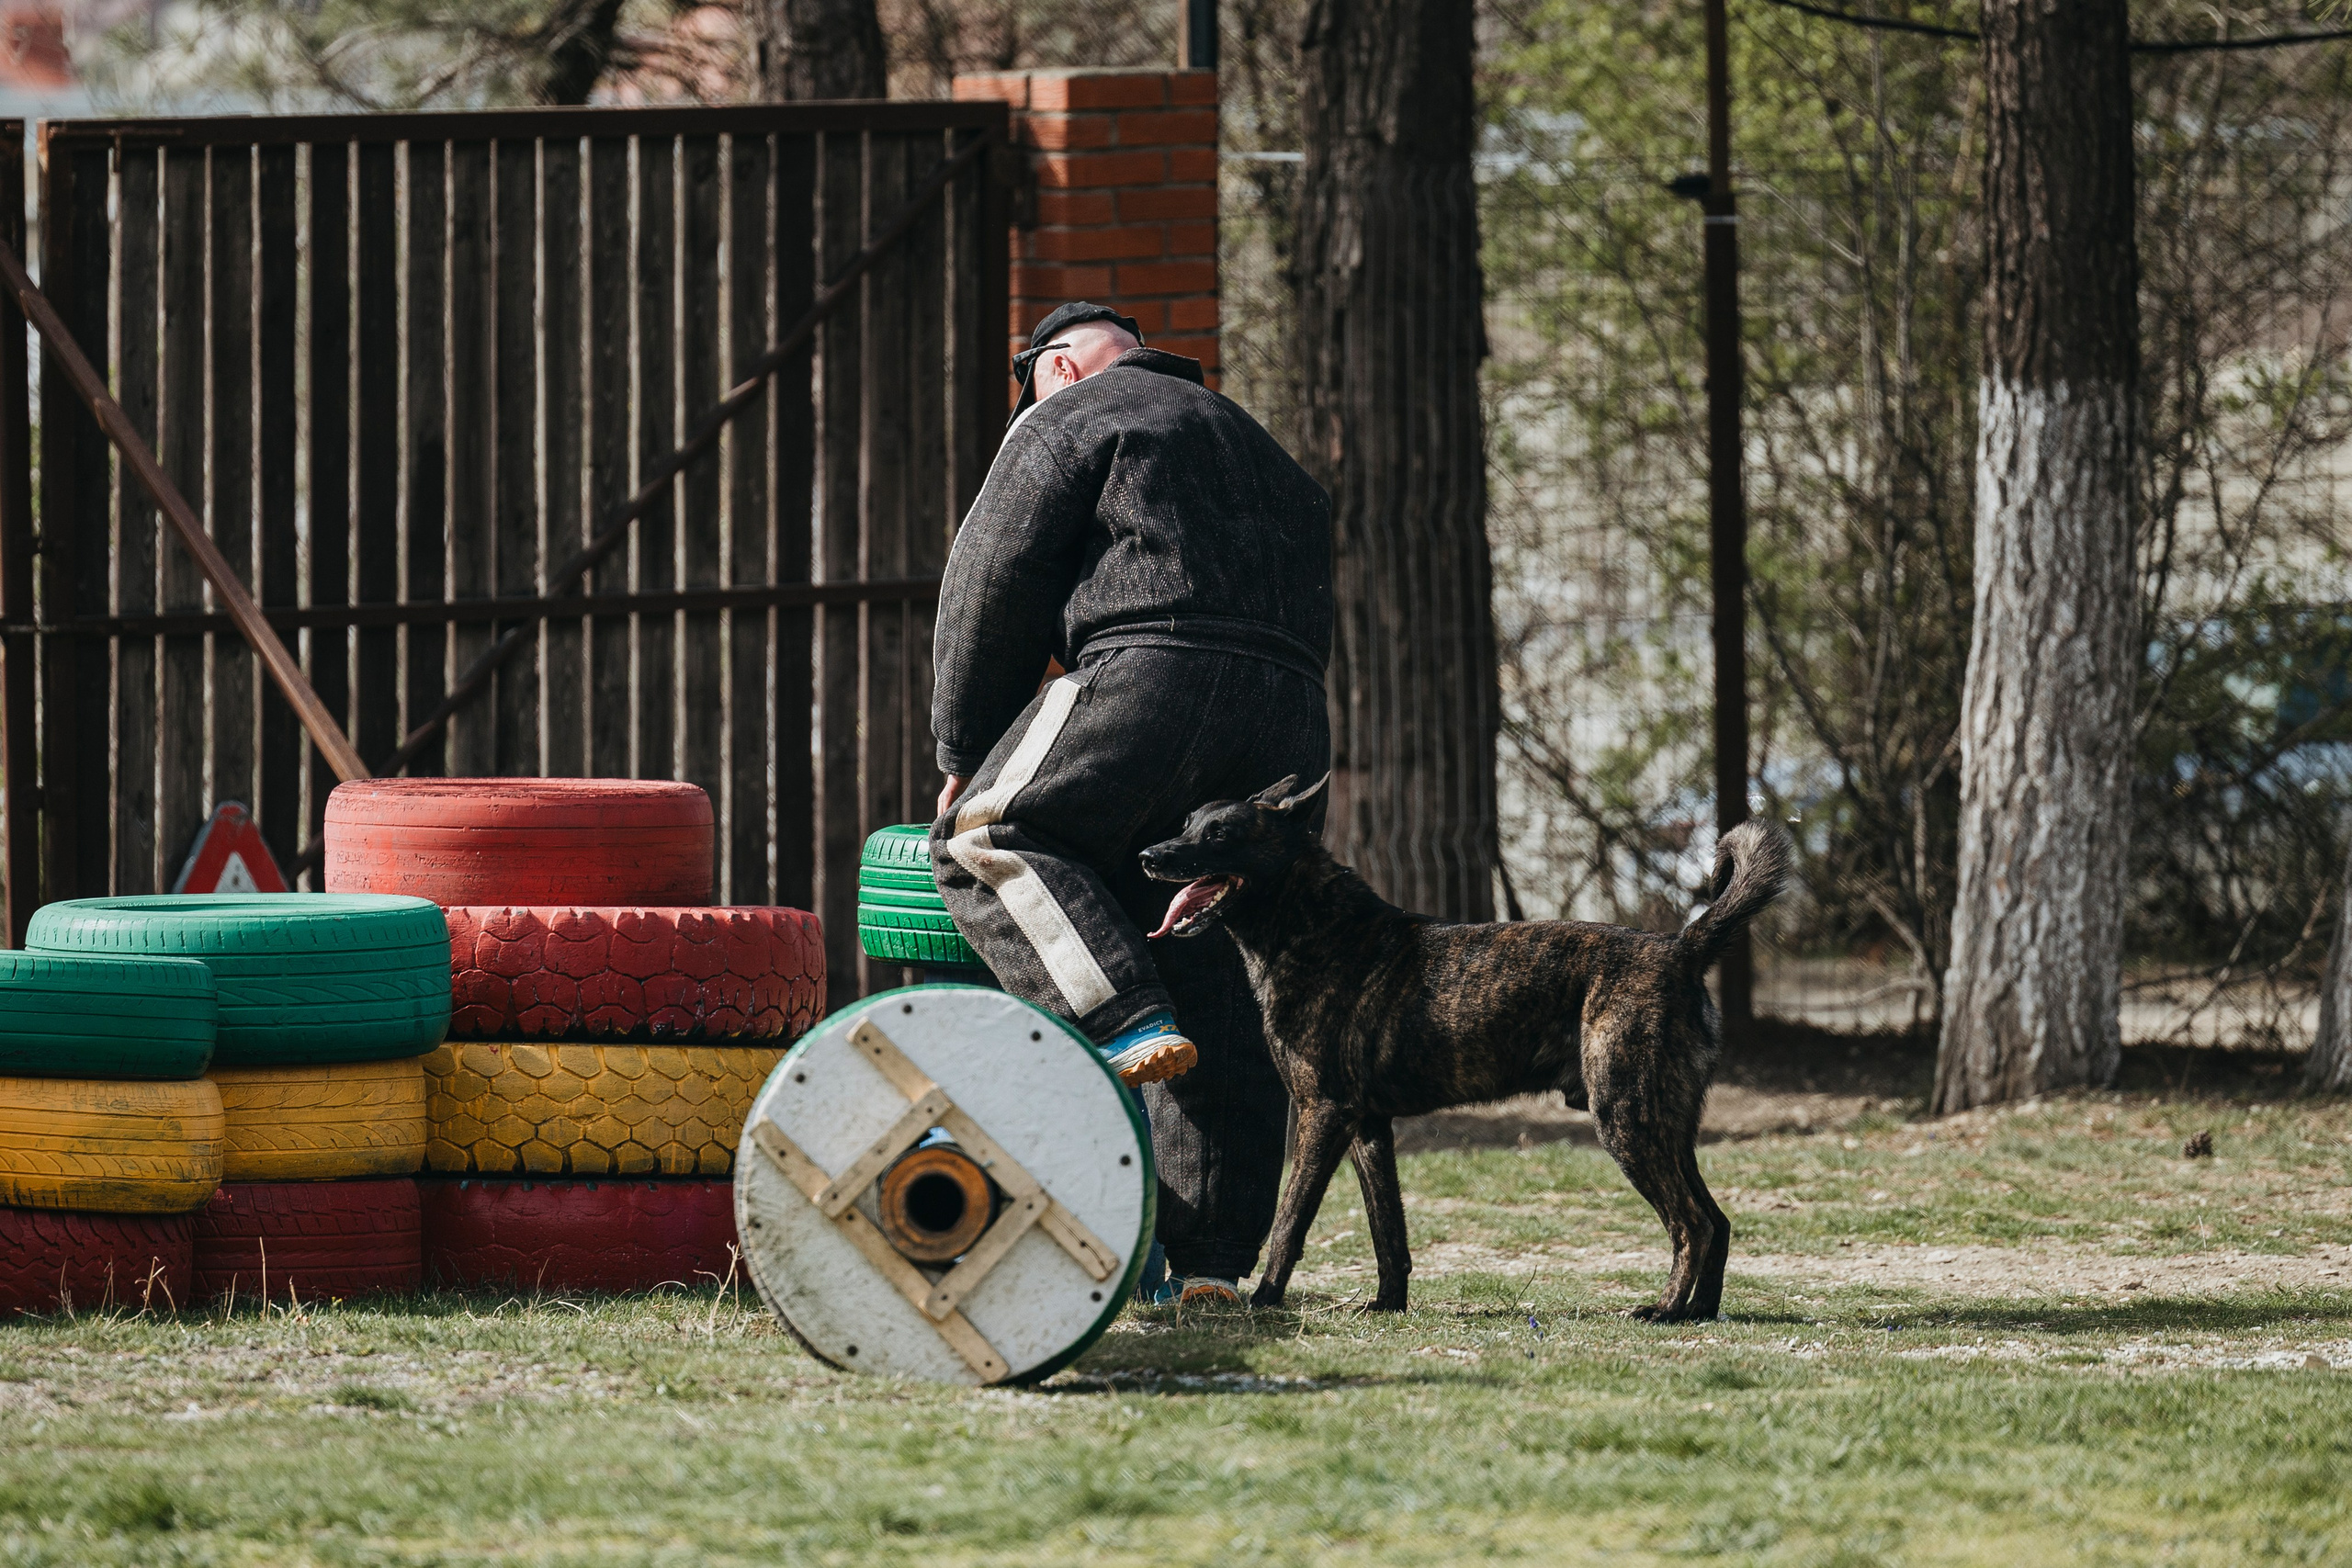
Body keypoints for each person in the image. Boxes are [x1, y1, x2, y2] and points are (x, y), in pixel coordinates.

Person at [929, 301, 1332, 1304]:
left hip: (1154, 668)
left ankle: (1118, 1015)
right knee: (1211, 944)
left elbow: (992, 576)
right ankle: (1208, 1266)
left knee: (985, 837)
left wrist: (965, 745)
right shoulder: (1261, 448)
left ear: (1056, 369)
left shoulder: (1069, 414)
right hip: (1294, 710)